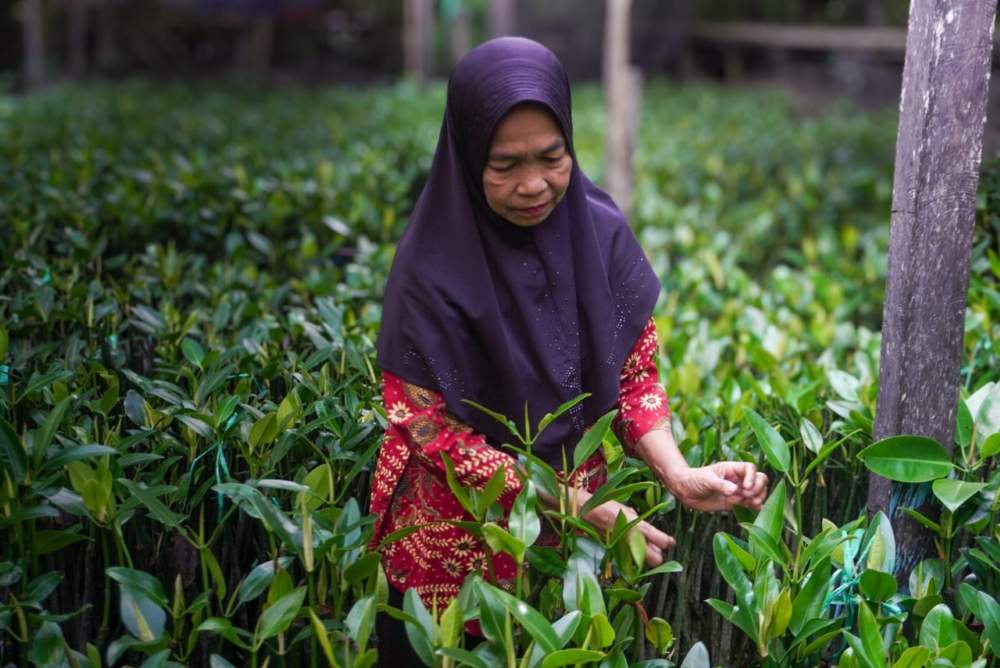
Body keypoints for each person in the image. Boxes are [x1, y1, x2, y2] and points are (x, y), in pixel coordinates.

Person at [369, 37, 768, 661]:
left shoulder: (598, 233)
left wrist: (678, 471)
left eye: (551, 157)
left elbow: (633, 379)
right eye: (505, 165)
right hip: (452, 540)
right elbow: (429, 429)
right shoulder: (430, 266)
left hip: (571, 540)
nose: (534, 184)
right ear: (468, 156)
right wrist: (576, 506)